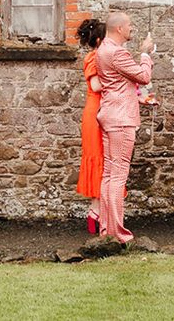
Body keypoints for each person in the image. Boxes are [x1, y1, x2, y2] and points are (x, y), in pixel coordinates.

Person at [95, 11, 154, 244]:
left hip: (110, 113)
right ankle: (118, 232)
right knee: (118, 174)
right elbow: (143, 76)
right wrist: (145, 53)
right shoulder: (117, 52)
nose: (132, 28)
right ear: (119, 28)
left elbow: (119, 83)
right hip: (120, 119)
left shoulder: (103, 49)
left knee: (109, 173)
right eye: (129, 25)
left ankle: (107, 228)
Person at [75, 18, 106, 234]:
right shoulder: (93, 57)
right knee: (98, 157)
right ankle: (96, 210)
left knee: (104, 158)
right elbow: (96, 85)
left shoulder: (101, 56)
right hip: (96, 112)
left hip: (102, 110)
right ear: (98, 40)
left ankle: (98, 211)